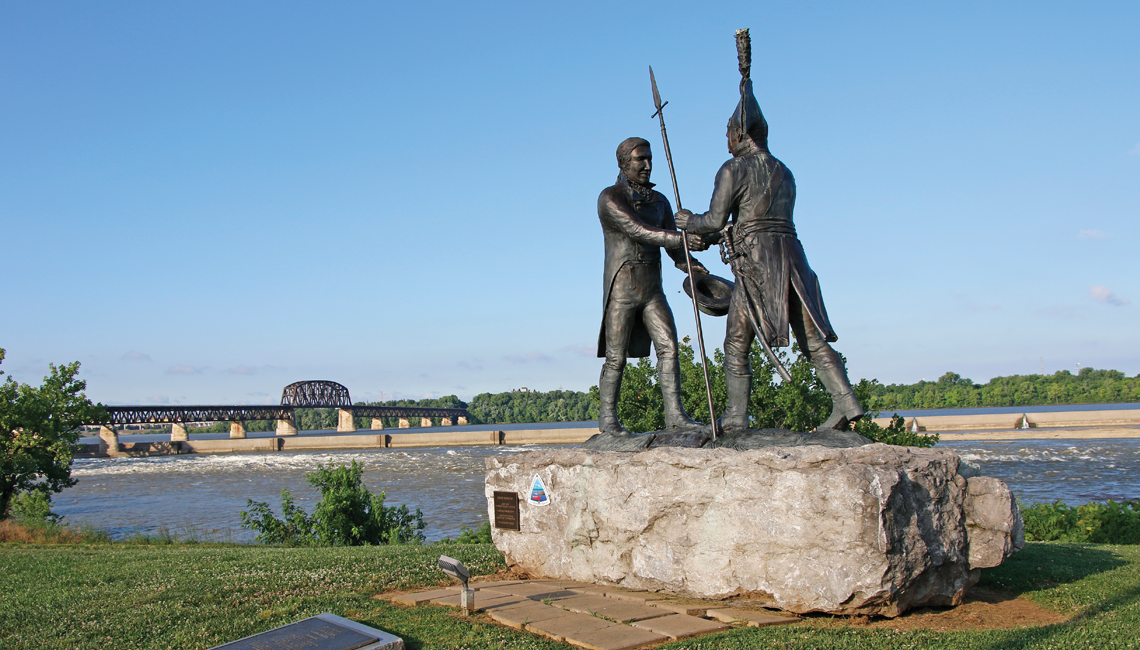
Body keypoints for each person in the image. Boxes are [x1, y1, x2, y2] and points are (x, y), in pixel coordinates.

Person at [674, 78, 864, 432]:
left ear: (740, 132)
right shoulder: (784, 170)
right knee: (811, 338)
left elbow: (715, 219)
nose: (726, 140)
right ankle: (846, 402)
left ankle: (735, 415)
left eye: (728, 132)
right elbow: (751, 220)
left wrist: (689, 221)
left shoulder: (733, 169)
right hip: (792, 260)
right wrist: (717, 235)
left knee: (736, 340)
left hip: (758, 267)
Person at [596, 137, 709, 435]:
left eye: (649, 159)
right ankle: (608, 419)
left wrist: (697, 268)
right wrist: (681, 239)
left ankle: (676, 415)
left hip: (652, 289)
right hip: (623, 287)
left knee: (670, 348)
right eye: (640, 159)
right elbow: (639, 230)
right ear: (623, 162)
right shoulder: (610, 198)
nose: (647, 165)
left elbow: (675, 251)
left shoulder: (660, 201)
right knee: (616, 356)